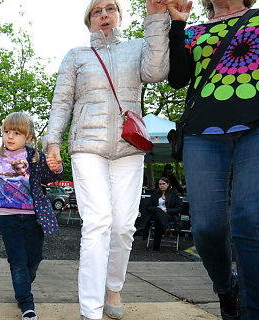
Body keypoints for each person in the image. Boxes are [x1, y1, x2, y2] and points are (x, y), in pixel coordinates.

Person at [42, 0, 171, 318]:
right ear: (88, 21)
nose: (104, 14)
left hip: (129, 148)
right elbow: (61, 103)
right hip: (88, 146)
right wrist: (52, 142)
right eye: (97, 11)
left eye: (110, 8)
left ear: (120, 16)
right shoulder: (76, 56)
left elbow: (157, 72)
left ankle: (112, 286)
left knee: (124, 226)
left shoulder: (137, 47)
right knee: (98, 222)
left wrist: (156, 18)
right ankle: (90, 308)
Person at [167, 0, 259, 318]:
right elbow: (177, 78)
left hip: (255, 130)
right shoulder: (193, 32)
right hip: (202, 133)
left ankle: (251, 309)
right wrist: (177, 25)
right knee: (206, 227)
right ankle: (226, 288)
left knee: (249, 218)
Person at [0, 112, 62, 320]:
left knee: (34, 259)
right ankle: (27, 305)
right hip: (7, 216)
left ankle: (24, 282)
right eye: (7, 131)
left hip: (35, 216)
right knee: (17, 260)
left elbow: (51, 174)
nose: (10, 136)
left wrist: (57, 166)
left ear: (28, 137)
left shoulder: (35, 157)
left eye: (16, 133)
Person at [147, 177, 182, 250]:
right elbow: (148, 208)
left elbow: (179, 208)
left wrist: (167, 210)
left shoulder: (174, 194)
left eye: (163, 184)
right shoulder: (155, 194)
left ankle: (156, 246)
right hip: (157, 214)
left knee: (159, 218)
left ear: (168, 184)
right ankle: (166, 229)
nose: (161, 185)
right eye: (160, 184)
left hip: (169, 215)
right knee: (159, 212)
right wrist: (157, 208)